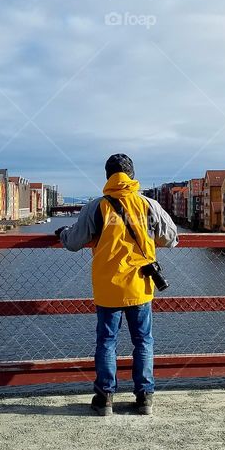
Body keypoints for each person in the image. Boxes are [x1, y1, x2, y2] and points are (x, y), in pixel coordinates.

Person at [55, 154, 178, 416]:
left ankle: (105, 398)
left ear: (108, 176)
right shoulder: (148, 205)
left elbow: (74, 242)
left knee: (107, 342)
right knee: (143, 341)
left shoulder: (96, 207)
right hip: (139, 285)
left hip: (108, 286)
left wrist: (62, 233)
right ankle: (144, 397)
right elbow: (171, 238)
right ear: (132, 175)